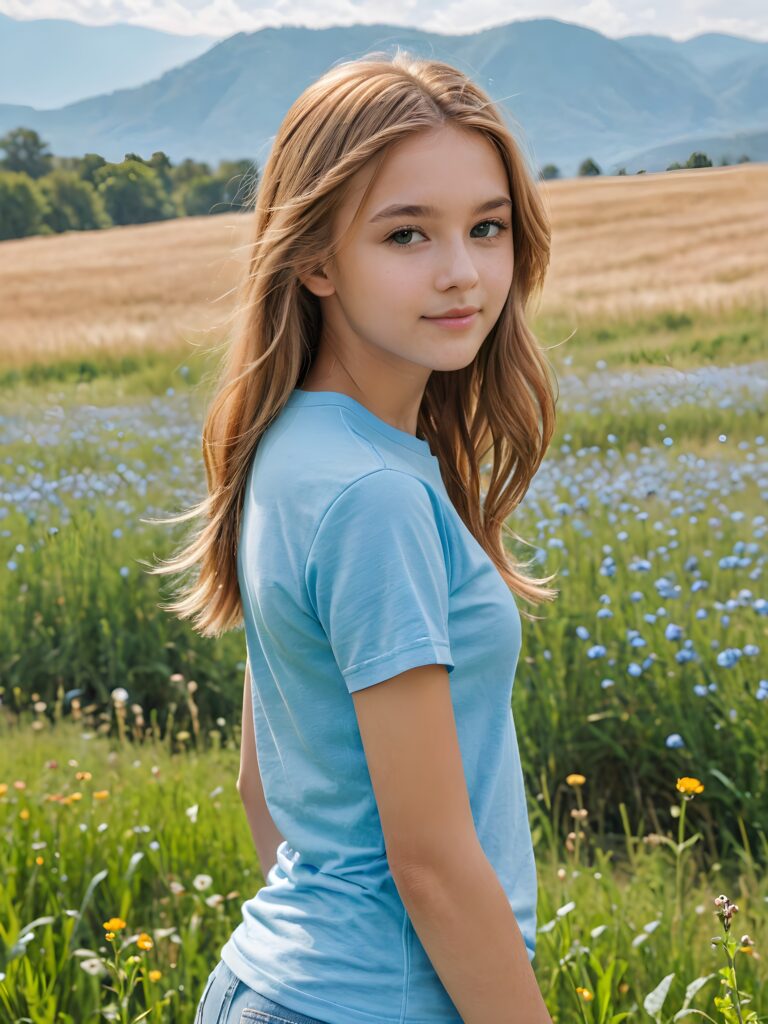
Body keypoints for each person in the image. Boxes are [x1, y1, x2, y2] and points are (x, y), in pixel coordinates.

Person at [150, 47, 559, 1024]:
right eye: (407, 234)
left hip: (279, 987)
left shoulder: (290, 445)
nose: (462, 272)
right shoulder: (373, 494)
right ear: (316, 258)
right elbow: (431, 861)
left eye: (486, 227)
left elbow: (263, 787)